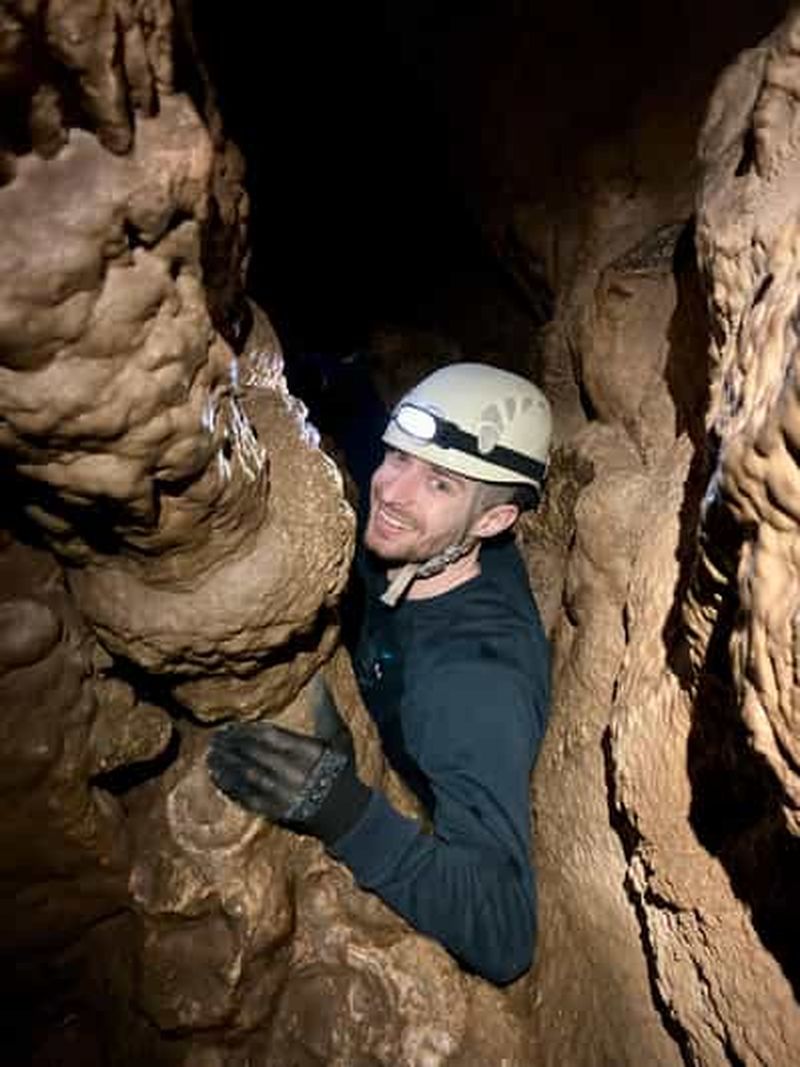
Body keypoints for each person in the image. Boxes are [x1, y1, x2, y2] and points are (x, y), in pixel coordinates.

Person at [208, 362, 552, 985]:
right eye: (397, 457)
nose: (393, 491)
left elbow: (505, 934)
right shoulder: (415, 532)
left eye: (441, 484)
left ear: (493, 522)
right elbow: (363, 424)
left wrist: (342, 809)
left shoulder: (472, 685)